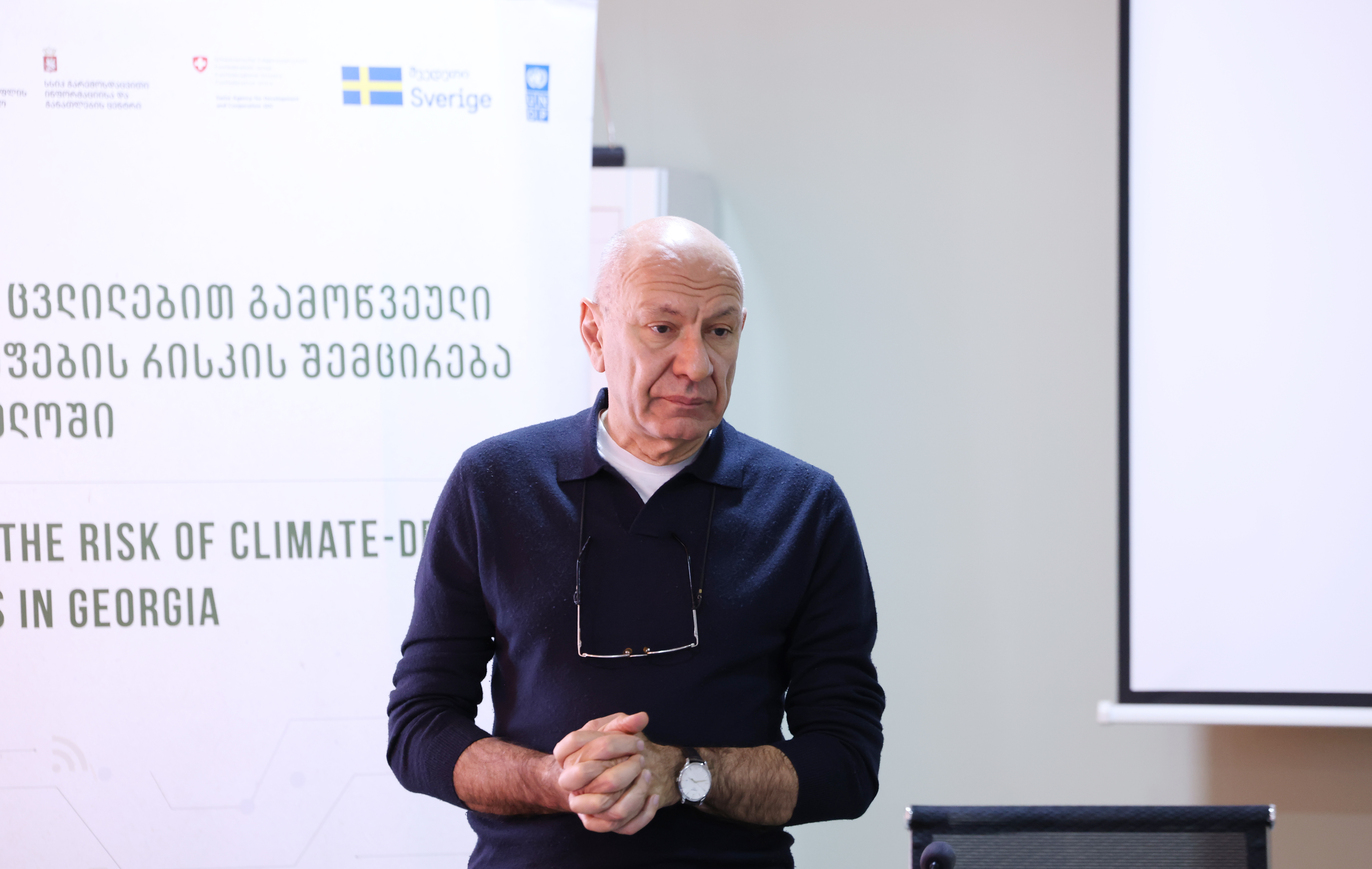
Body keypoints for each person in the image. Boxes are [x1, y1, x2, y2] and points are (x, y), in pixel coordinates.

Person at [387, 216, 884, 867]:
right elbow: (419, 727)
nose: (696, 364)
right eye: (662, 328)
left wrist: (681, 776)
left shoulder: (803, 507)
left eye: (720, 331)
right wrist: (558, 782)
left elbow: (846, 762)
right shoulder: (494, 483)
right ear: (595, 333)